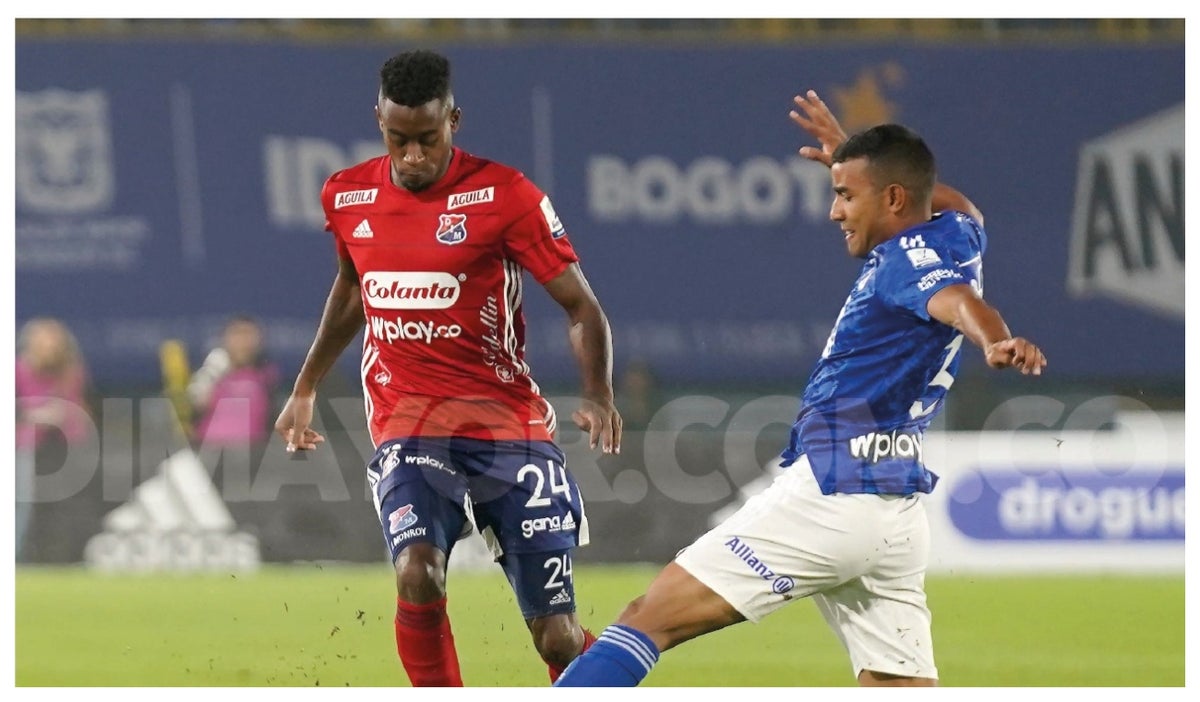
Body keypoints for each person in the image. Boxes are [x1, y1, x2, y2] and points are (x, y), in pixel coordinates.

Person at [554, 90, 1047, 687]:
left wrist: (995, 339)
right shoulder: (958, 234)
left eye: (846, 195)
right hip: (893, 509)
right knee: (898, 686)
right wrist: (848, 157)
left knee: (647, 619)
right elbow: (960, 206)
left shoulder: (903, 265)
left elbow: (958, 301)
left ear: (893, 198)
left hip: (832, 496)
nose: (835, 212)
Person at [273, 49, 621, 687]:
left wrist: (598, 393)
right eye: (398, 139)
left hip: (506, 423)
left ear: (453, 121)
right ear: (378, 120)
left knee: (558, 637)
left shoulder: (507, 196)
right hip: (408, 418)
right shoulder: (346, 194)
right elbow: (353, 289)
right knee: (418, 571)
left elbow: (581, 306)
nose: (412, 156)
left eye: (427, 139)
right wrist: (306, 385)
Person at [15, 318, 93, 561]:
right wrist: (36, 414)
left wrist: (66, 414)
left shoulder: (71, 372)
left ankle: (62, 556)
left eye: (54, 342)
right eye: (44, 341)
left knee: (64, 504)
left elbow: (79, 408)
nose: (49, 347)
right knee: (23, 502)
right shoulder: (18, 370)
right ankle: (17, 555)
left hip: (64, 446)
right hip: (28, 446)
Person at [188, 314, 279, 447]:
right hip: (207, 450)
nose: (243, 342)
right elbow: (194, 409)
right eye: (237, 334)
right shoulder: (212, 371)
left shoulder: (266, 375)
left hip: (253, 453)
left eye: (248, 335)